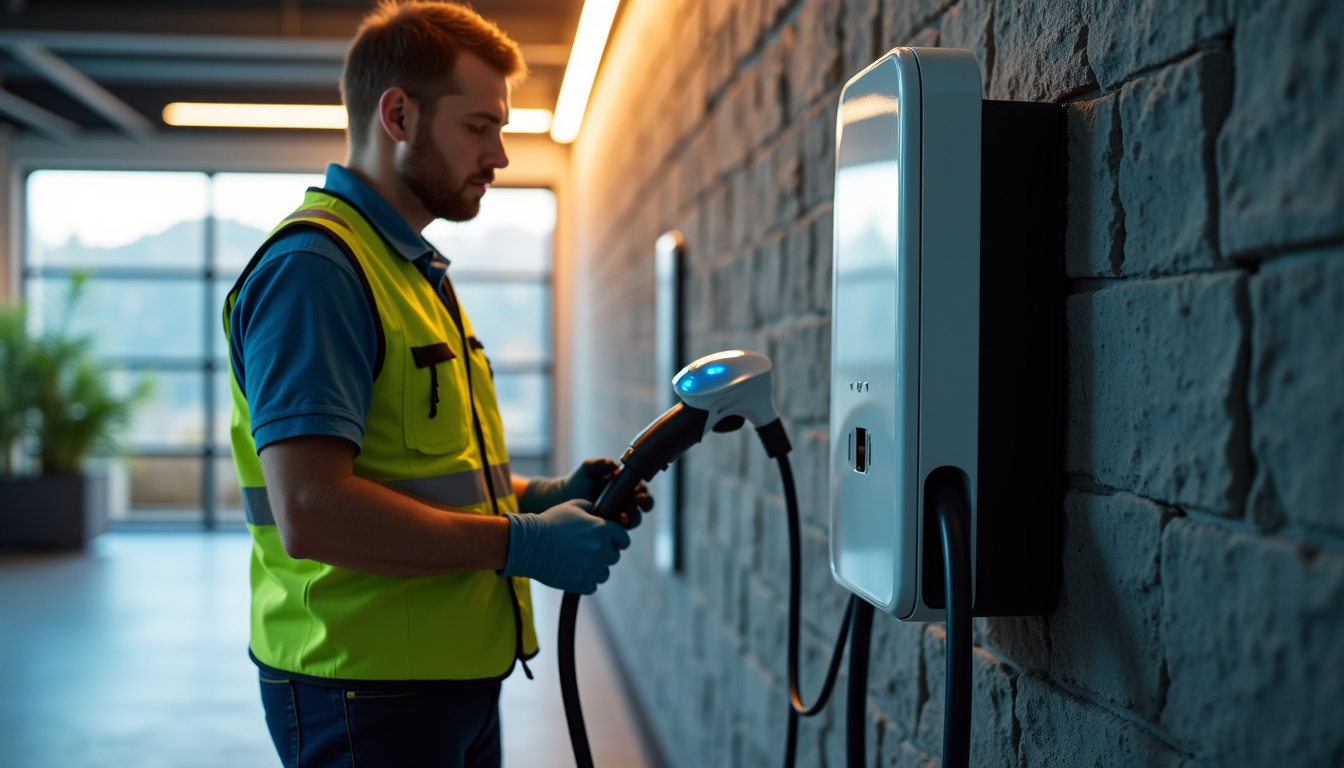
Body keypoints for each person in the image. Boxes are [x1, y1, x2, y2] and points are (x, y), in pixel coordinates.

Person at [223, 2, 651, 766]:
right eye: (479, 126)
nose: (500, 155)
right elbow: (311, 511)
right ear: (398, 116)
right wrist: (522, 543)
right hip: (362, 693)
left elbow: (421, 474)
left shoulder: (411, 271)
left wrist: (539, 497)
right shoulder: (317, 271)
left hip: (446, 681)